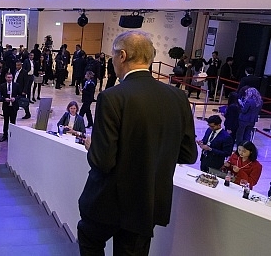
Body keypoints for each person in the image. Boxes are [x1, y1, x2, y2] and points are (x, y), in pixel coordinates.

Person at [77, 30, 197, 256]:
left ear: (122, 55)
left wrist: (92, 145)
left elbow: (103, 161)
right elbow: (188, 155)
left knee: (90, 240)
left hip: (108, 201)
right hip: (147, 203)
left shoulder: (112, 97)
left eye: (112, 55)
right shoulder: (178, 98)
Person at [0, 72, 21, 142]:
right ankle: (5, 135)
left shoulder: (16, 85)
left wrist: (15, 99)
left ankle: (12, 135)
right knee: (6, 121)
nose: (9, 79)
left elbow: (20, 95)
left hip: (14, 106)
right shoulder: (2, 86)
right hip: (6, 106)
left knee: (13, 122)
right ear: (5, 78)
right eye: (8, 77)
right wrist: (4, 99)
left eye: (11, 77)